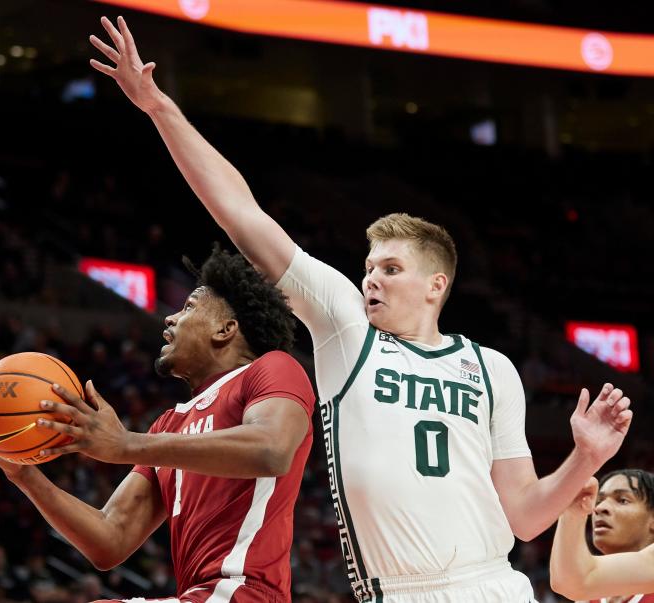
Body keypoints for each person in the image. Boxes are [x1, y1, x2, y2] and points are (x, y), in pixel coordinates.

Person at [87, 16, 634, 602]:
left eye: (391, 270)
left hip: (492, 585)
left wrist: (585, 457)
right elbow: (243, 217)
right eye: (368, 267)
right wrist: (158, 108)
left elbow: (525, 516)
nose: (371, 279)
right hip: (394, 592)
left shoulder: (493, 368)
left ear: (436, 285)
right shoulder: (349, 331)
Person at [0, 247, 316, 602]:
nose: (170, 319)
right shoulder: (168, 425)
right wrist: (23, 474)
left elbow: (271, 449)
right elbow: (110, 539)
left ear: (226, 329)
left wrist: (126, 445)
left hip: (244, 593)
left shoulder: (272, 368)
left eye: (189, 307)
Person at [551, 470, 654, 602]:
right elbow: (570, 581)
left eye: (622, 500)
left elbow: (576, 580)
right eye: (598, 501)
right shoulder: (586, 597)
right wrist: (573, 506)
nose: (599, 508)